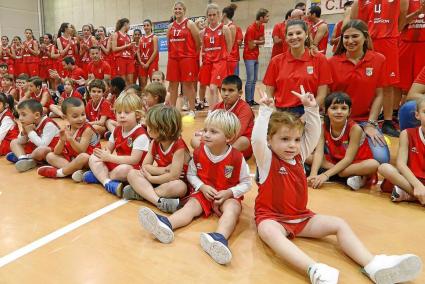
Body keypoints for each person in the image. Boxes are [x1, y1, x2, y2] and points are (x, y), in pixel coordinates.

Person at [253, 88, 422, 284]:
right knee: (267, 231)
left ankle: (372, 265)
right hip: (272, 218)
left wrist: (311, 108)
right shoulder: (266, 159)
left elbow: (313, 133)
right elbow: (256, 140)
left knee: (339, 224)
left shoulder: (298, 156)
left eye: (296, 140)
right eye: (284, 139)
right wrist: (264, 111)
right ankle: (314, 269)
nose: (292, 145)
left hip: (301, 217)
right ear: (269, 141)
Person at [138, 109, 251, 265]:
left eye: (213, 132)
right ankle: (166, 224)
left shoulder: (238, 158)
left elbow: (246, 183)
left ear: (229, 137)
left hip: (227, 195)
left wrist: (229, 192)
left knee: (232, 210)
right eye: (205, 130)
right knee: (190, 207)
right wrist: (202, 187)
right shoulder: (198, 153)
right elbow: (191, 175)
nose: (206, 135)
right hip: (203, 193)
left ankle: (219, 239)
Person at [329, 19, 390, 164]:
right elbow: (327, 96)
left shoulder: (379, 60)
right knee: (336, 156)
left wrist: (370, 124)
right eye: (346, 37)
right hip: (338, 120)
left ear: (365, 37)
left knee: (381, 159)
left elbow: (379, 95)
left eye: (355, 36)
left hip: (364, 121)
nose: (350, 41)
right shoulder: (331, 62)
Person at [351, 0, 409, 137]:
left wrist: (393, 31)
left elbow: (403, 16)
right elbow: (355, 19)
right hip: (367, 41)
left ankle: (387, 122)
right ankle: (364, 116)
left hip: (389, 40)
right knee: (365, 81)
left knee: (388, 84)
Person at [124, 104, 191, 213]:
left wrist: (151, 179)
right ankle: (158, 201)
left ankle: (142, 193)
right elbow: (145, 166)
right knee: (132, 173)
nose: (147, 127)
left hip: (172, 183)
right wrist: (163, 170)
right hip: (159, 178)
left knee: (180, 187)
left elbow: (174, 176)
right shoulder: (154, 142)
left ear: (164, 128)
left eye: (150, 125)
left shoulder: (178, 145)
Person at [306, 92, 379, 190]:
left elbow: (349, 159)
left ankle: (342, 174)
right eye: (334, 108)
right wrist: (313, 174)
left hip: (354, 163)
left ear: (349, 112)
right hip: (335, 161)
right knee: (307, 156)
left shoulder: (355, 129)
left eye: (344, 108)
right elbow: (319, 152)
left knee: (374, 164)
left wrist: (325, 175)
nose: (339, 111)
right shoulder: (322, 126)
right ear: (326, 111)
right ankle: (347, 177)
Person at [83, 93, 149, 196]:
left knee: (126, 169)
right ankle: (106, 182)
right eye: (119, 112)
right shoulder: (117, 129)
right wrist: (104, 154)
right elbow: (108, 148)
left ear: (137, 115)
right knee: (93, 157)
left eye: (127, 112)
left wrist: (109, 158)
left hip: (133, 169)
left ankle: (98, 176)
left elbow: (134, 160)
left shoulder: (140, 134)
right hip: (117, 163)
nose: (122, 115)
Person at [263, 19, 332, 115]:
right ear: (286, 38)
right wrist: (275, 113)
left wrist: (308, 115)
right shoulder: (276, 61)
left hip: (309, 111)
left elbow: (322, 94)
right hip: (281, 113)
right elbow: (269, 92)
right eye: (290, 34)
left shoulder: (319, 59)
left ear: (306, 35)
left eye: (298, 33)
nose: (294, 37)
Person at [191, 75, 254, 160]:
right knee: (194, 140)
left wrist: (215, 140)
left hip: (235, 141)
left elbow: (237, 133)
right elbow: (208, 127)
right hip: (219, 141)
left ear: (240, 93)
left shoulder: (245, 109)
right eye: (223, 90)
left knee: (243, 141)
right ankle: (216, 155)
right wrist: (203, 132)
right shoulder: (217, 106)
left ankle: (213, 156)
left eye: (231, 90)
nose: (226, 94)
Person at [37, 97, 100, 179]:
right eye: (75, 116)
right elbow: (57, 152)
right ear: (66, 117)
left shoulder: (87, 129)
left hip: (88, 160)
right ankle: (74, 171)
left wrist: (70, 139)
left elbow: (81, 150)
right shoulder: (66, 128)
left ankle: (59, 173)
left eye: (83, 114)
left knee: (84, 157)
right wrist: (62, 141)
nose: (80, 119)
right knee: (50, 156)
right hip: (74, 160)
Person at [379, 97, 425, 204]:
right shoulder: (407, 133)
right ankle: (416, 194)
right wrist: (417, 185)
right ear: (417, 115)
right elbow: (401, 164)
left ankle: (408, 194)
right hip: (410, 178)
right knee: (384, 168)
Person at [167, 1, 201, 117]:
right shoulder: (170, 27)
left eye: (180, 9)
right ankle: (172, 110)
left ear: (184, 10)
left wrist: (192, 55)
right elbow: (169, 44)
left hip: (187, 58)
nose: (177, 11)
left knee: (188, 85)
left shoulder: (190, 24)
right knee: (173, 85)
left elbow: (198, 42)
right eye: (176, 9)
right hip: (173, 59)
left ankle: (192, 110)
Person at [7, 99, 60, 172]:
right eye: (19, 115)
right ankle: (22, 158)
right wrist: (24, 133)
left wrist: (30, 132)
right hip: (36, 149)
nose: (20, 118)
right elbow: (21, 140)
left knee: (41, 150)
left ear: (37, 115)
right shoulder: (30, 122)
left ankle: (27, 158)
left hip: (52, 151)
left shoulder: (49, 124)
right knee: (14, 142)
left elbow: (43, 144)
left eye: (24, 114)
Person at [199, 3, 232, 110]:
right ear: (207, 16)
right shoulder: (203, 32)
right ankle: (221, 110)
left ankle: (213, 112)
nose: (212, 17)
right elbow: (203, 48)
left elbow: (229, 47)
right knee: (214, 88)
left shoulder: (225, 28)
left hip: (220, 62)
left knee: (214, 88)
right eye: (209, 15)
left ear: (218, 15)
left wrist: (223, 59)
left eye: (214, 15)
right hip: (208, 62)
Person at [243, 8, 269, 107]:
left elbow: (263, 41)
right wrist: (257, 42)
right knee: (250, 79)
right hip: (248, 56)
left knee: (254, 79)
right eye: (266, 16)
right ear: (261, 17)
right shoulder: (251, 28)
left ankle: (252, 99)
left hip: (255, 55)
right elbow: (250, 46)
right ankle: (247, 100)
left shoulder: (262, 27)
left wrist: (255, 41)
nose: (268, 18)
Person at [111, 18, 135, 85]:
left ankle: (130, 94)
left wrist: (133, 47)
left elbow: (129, 48)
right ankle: (123, 94)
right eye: (129, 24)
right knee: (123, 81)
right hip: (120, 59)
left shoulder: (128, 36)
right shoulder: (116, 34)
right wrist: (127, 46)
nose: (129, 26)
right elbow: (114, 49)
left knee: (130, 81)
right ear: (125, 24)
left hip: (129, 59)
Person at [137, 20, 159, 90]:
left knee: (154, 83)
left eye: (147, 25)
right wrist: (140, 62)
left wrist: (148, 63)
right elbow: (138, 51)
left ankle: (155, 99)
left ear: (151, 26)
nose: (146, 27)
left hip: (152, 63)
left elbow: (155, 51)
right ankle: (144, 99)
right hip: (143, 63)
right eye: (144, 25)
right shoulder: (141, 38)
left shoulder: (154, 37)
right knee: (143, 83)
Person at [222, 4, 242, 75]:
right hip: (225, 58)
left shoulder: (232, 27)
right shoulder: (224, 26)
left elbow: (231, 44)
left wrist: (226, 56)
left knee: (232, 81)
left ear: (224, 14)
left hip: (231, 58)